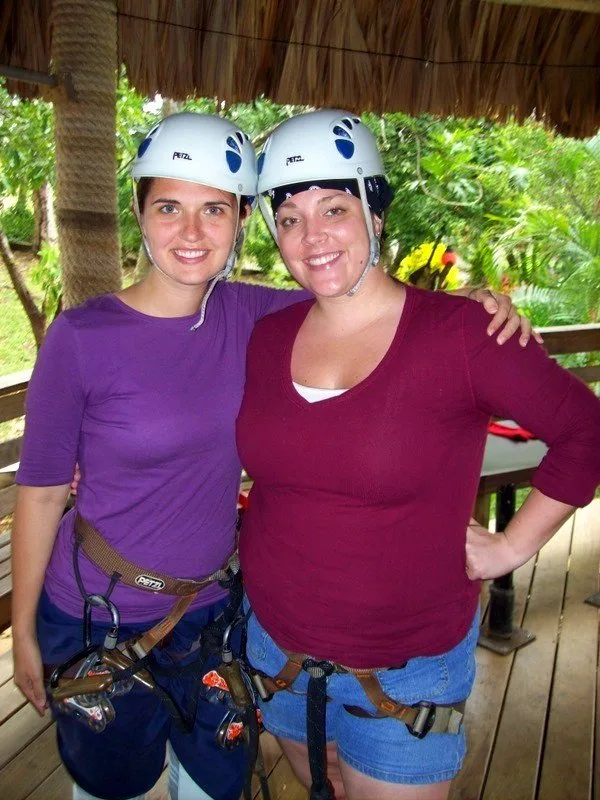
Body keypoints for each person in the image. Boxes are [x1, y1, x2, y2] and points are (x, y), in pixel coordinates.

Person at [12, 110, 533, 800]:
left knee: (212, 788)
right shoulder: (82, 337)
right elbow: (43, 491)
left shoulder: (257, 316)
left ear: (239, 220)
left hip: (213, 615)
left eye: (214, 211)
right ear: (140, 212)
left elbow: (360, 303)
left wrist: (464, 307)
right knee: (113, 791)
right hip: (97, 615)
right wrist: (21, 631)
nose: (192, 233)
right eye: (169, 206)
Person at [236, 109, 600, 800]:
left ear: (375, 215)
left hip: (406, 670)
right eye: (289, 219)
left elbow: (587, 430)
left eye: (334, 209)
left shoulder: (462, 333)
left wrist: (510, 548)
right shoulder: (266, 333)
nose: (311, 237)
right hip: (274, 651)